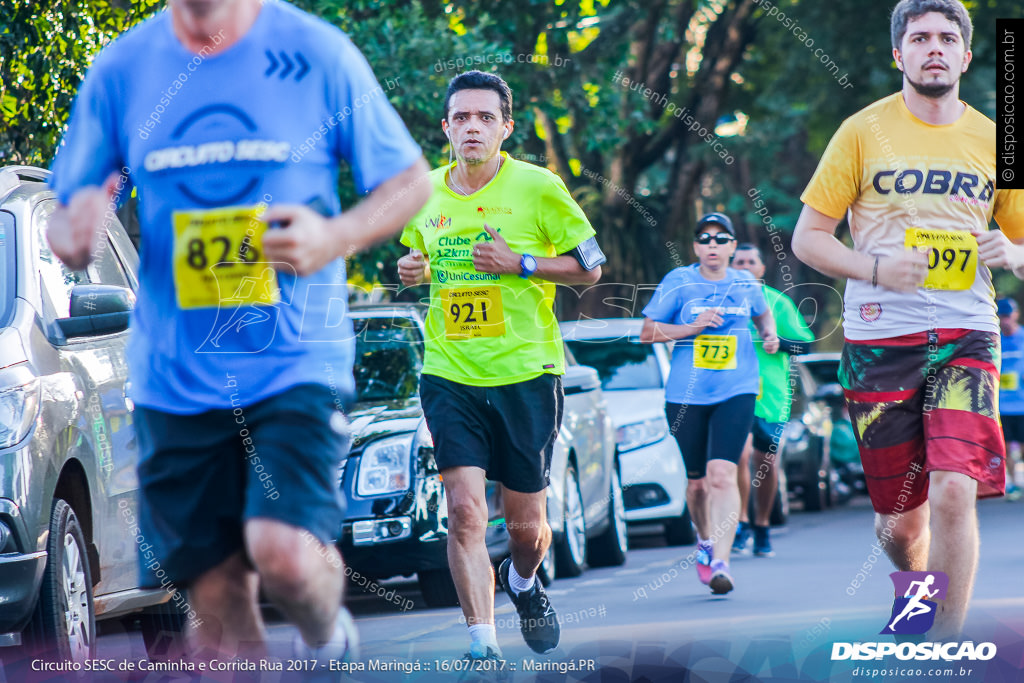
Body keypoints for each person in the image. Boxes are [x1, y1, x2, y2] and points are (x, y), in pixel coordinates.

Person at [46, 0, 431, 667]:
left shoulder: (316, 52)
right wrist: (75, 228)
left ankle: (324, 634)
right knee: (218, 597)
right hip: (175, 375)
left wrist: (334, 236)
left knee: (282, 553)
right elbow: (68, 204)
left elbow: (409, 180)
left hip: (293, 360)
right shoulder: (124, 68)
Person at [792, 0, 1024, 639]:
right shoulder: (862, 132)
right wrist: (874, 267)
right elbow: (807, 239)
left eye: (947, 38)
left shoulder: (998, 139)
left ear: (966, 56)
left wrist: (1016, 252)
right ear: (899, 54)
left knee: (955, 488)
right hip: (878, 340)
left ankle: (944, 641)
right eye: (919, 38)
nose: (934, 48)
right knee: (900, 522)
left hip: (967, 334)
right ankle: (916, 595)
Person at [397, 70, 604, 665]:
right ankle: (482, 646)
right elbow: (420, 256)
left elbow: (591, 265)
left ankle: (521, 580)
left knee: (526, 529)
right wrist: (415, 271)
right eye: (461, 117)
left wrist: (523, 263)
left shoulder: (539, 187)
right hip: (451, 371)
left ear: (505, 128)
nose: (472, 127)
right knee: (463, 510)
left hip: (526, 373)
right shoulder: (424, 193)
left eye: (485, 117)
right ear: (445, 128)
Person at [640, 213, 778, 595]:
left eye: (721, 239)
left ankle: (722, 560)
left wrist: (769, 335)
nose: (713, 245)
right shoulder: (679, 282)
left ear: (733, 247)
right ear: (695, 247)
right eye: (705, 239)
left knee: (722, 474)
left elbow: (763, 315)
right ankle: (704, 540)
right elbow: (647, 332)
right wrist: (693, 326)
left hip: (737, 390)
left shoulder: (745, 283)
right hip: (686, 396)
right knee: (698, 485)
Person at [731, 244, 814, 557]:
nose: (745, 266)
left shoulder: (777, 303)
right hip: (731, 391)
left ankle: (762, 524)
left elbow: (805, 346)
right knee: (738, 455)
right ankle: (740, 523)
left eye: (752, 261)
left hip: (771, 395)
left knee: (764, 462)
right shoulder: (719, 301)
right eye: (739, 262)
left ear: (761, 269)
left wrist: (779, 343)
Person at [997, 298, 1024, 500]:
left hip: (1022, 404)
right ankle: (1013, 484)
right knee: (1005, 446)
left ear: (1016, 315)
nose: (1005, 320)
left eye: (1008, 315)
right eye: (1001, 316)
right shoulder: (994, 340)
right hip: (1002, 405)